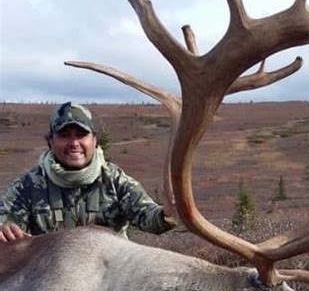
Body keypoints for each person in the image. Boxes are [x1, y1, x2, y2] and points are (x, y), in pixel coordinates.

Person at [0, 102, 177, 243]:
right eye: (64, 135)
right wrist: (3, 229)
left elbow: (151, 219)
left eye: (81, 134)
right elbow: (4, 220)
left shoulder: (115, 180)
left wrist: (168, 213)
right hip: (49, 277)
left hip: (109, 278)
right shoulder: (28, 185)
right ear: (50, 141)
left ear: (94, 140)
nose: (74, 143)